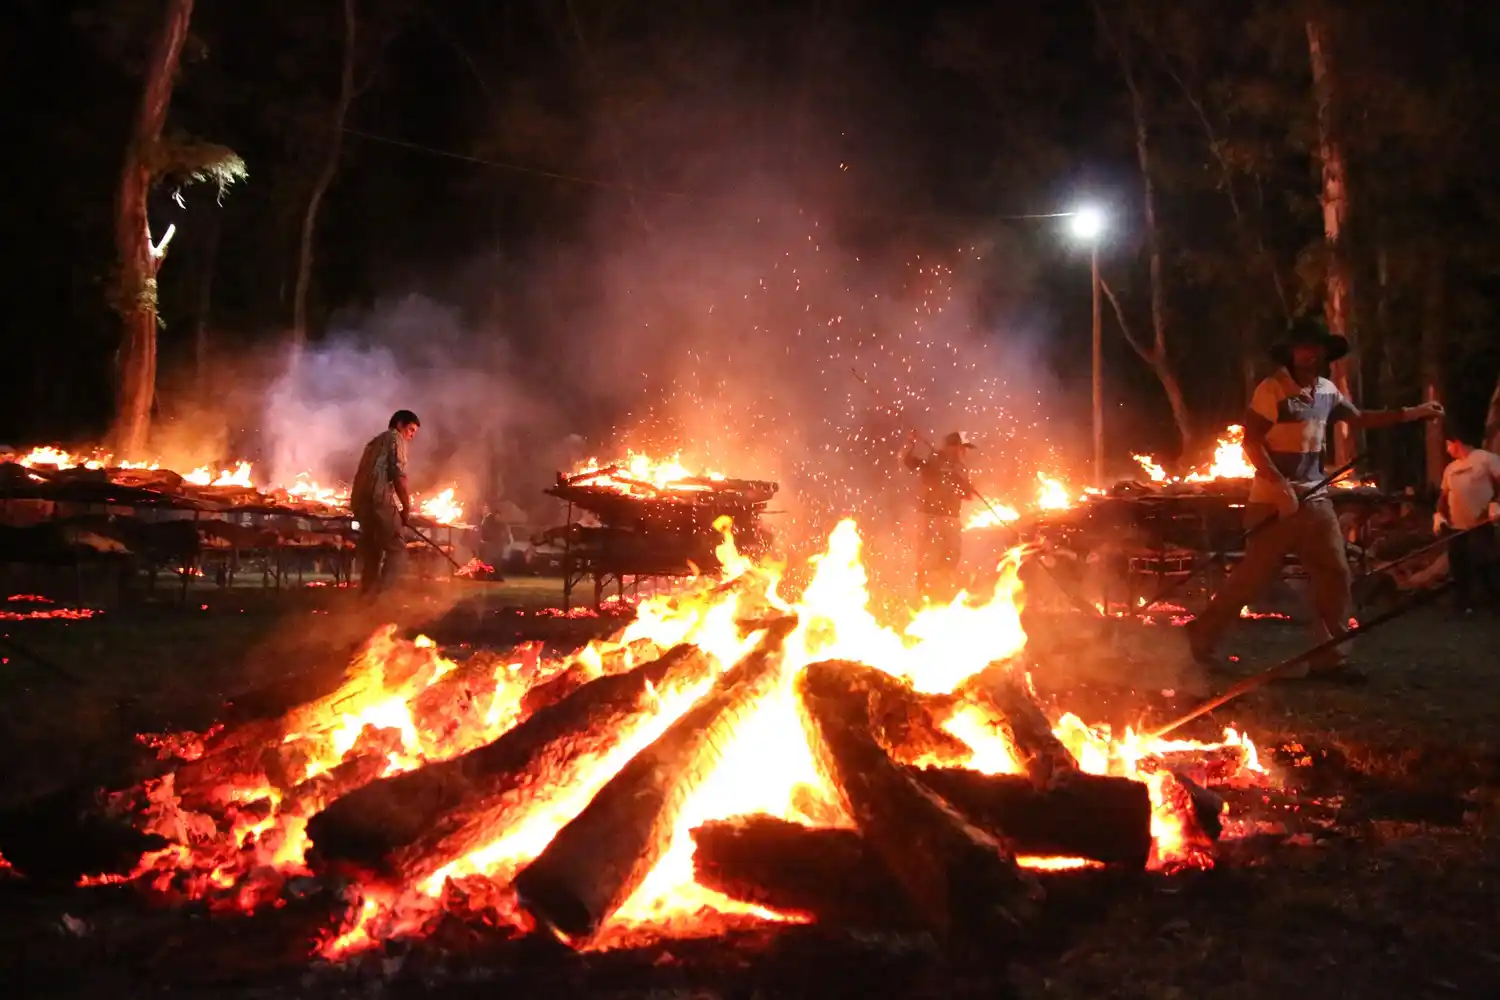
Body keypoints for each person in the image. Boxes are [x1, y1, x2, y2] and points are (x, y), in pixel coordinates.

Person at [1183, 322, 1444, 682]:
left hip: (1316, 499)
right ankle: (1201, 636)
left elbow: (1360, 418)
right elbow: (1251, 442)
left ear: (1325, 352)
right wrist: (1279, 486)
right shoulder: (1272, 389)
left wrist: (1413, 412)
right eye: (1303, 347)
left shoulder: (1327, 391)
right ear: (1291, 352)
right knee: (1252, 579)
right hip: (1274, 502)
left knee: (1335, 575)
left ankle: (1330, 660)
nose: (1310, 353)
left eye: (1316, 347)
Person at [352, 410, 420, 596]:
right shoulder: (395, 438)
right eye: (411, 429)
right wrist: (406, 507)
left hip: (360, 502)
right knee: (397, 549)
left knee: (373, 551)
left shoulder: (374, 442)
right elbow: (398, 474)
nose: (411, 435)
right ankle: (381, 599)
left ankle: (365, 599)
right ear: (399, 424)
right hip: (378, 500)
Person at [903, 430, 977, 601]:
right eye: (962, 448)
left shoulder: (960, 468)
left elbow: (967, 495)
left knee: (950, 558)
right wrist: (910, 443)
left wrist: (966, 485)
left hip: (950, 519)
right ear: (952, 447)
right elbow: (907, 461)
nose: (964, 453)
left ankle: (942, 594)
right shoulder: (933, 461)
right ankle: (922, 597)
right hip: (929, 518)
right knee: (927, 559)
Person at [1435, 424, 1500, 614]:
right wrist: (1439, 515)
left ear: (1457, 442)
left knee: (1483, 561)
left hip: (1481, 523)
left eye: (1448, 445)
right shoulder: (1450, 469)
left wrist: (1496, 503)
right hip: (1456, 527)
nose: (1447, 450)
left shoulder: (1486, 459)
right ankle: (1464, 604)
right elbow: (1444, 496)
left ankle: (1493, 602)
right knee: (1458, 565)